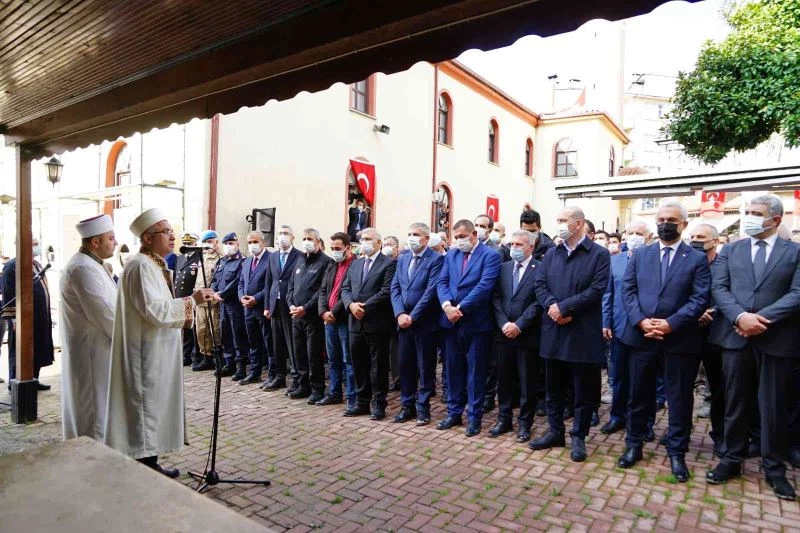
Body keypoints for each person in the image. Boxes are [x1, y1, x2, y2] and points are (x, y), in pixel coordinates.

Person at [105, 208, 214, 477]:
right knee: (147, 407)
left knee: (153, 406)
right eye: (165, 232)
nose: (172, 236)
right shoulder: (141, 266)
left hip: (155, 348)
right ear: (147, 238)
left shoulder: (153, 264)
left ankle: (149, 462)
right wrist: (193, 300)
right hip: (146, 352)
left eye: (171, 230)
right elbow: (154, 310)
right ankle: (146, 467)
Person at [706, 195, 800, 501]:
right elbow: (719, 288)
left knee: (773, 406)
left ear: (775, 219)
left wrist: (762, 319)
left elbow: (798, 292)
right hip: (735, 337)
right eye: (747, 212)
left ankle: (774, 469)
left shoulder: (794, 252)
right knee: (735, 401)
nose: (748, 217)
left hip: (776, 340)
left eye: (756, 213)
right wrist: (740, 316)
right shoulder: (731, 250)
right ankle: (731, 459)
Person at [617, 202, 710, 482]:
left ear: (683, 224)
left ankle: (677, 452)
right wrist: (641, 321)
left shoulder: (695, 258)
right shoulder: (640, 254)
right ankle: (634, 445)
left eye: (671, 219)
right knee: (638, 395)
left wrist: (671, 324)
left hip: (679, 341)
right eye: (660, 219)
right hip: (642, 337)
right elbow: (628, 290)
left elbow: (699, 298)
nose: (664, 224)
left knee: (679, 399)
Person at [531, 207, 609, 462]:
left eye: (563, 220)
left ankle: (579, 436)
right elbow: (539, 285)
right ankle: (555, 431)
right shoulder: (552, 254)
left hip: (582, 331)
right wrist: (553, 307)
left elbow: (597, 289)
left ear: (578, 223)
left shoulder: (599, 254)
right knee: (553, 388)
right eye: (558, 219)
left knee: (582, 390)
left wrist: (566, 308)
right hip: (553, 329)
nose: (559, 224)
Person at [436, 219, 501, 437]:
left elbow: (485, 286)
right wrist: (447, 306)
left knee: (476, 373)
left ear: (474, 234)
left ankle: (474, 418)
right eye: (456, 237)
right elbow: (442, 282)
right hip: (450, 323)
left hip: (476, 322)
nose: (459, 241)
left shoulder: (490, 256)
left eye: (463, 236)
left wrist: (460, 309)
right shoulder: (452, 255)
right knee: (453, 370)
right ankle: (454, 413)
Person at [60, 214, 118, 441]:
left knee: (99, 411)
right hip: (92, 355)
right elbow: (108, 316)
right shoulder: (83, 269)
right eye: (111, 238)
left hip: (99, 351)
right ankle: (94, 467)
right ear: (96, 242)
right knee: (94, 415)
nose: (115, 242)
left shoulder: (92, 264)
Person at [489, 230, 542, 443]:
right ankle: (504, 419)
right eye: (512, 244)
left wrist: (519, 325)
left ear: (531, 246)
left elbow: (539, 302)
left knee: (527, 381)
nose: (515, 248)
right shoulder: (504, 268)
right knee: (504, 379)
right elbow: (496, 298)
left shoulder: (540, 268)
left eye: (519, 244)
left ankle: (525, 424)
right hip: (504, 334)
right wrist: (504, 323)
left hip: (527, 334)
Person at [600, 222, 652, 437]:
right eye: (630, 233)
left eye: (639, 233)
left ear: (648, 237)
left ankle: (645, 423)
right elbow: (608, 294)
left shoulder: (653, 260)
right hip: (619, 326)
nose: (634, 237)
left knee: (645, 380)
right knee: (619, 376)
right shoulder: (615, 261)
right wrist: (606, 321)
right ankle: (617, 417)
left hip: (646, 328)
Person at [390, 223, 444, 426]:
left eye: (417, 234)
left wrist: (413, 316)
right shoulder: (403, 258)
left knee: (425, 367)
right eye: (410, 234)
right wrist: (399, 313)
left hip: (424, 323)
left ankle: (423, 407)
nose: (412, 237)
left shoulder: (436, 259)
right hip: (403, 323)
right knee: (406, 366)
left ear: (426, 238)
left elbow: (431, 291)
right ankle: (407, 406)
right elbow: (395, 287)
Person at [341, 228, 397, 420]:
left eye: (368, 239)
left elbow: (386, 291)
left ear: (378, 243)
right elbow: (345, 288)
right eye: (362, 239)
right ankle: (361, 402)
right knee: (358, 365)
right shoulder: (355, 264)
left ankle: (379, 403)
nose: (363, 242)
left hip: (376, 323)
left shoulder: (389, 264)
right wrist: (350, 305)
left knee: (378, 366)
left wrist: (363, 306)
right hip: (354, 322)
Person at [689, 223, 725, 455]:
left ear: (715, 240)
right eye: (692, 236)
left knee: (719, 389)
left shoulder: (726, 264)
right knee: (682, 387)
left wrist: (711, 311)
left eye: (700, 236)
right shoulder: (688, 261)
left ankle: (720, 435)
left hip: (717, 334)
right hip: (689, 332)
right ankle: (680, 431)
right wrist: (695, 312)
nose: (695, 240)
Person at [2, 238, 54, 389]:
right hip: (23, 320)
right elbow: (9, 294)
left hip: (39, 317)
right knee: (19, 351)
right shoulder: (13, 266)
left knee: (37, 349)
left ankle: (33, 380)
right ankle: (14, 382)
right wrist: (14, 320)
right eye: (35, 244)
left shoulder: (36, 265)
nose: (37, 247)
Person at [287, 228, 332, 402]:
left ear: (318, 242)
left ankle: (317, 388)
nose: (307, 241)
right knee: (299, 353)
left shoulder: (325, 262)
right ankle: (302, 385)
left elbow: (322, 290)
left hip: (312, 316)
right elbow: (291, 286)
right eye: (304, 238)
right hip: (296, 315)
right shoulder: (299, 260)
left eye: (310, 238)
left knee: (313, 354)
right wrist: (291, 304)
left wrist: (305, 307)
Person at [318, 232, 356, 407]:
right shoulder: (331, 265)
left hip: (344, 319)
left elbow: (349, 292)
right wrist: (323, 312)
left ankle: (351, 396)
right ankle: (334, 392)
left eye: (337, 248)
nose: (334, 252)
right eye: (332, 248)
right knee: (333, 359)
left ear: (347, 247)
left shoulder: (355, 264)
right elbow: (323, 290)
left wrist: (333, 312)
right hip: (329, 320)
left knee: (348, 359)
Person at [263, 225, 302, 392]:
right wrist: (266, 306)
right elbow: (269, 282)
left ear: (293, 237)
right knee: (276, 342)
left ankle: (296, 378)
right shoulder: (273, 257)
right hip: (275, 304)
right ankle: (279, 377)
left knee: (292, 344)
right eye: (279, 234)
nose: (282, 237)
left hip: (291, 304)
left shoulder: (299, 256)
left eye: (285, 234)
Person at [212, 232, 249, 377]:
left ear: (237, 244)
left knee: (237, 334)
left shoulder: (242, 261)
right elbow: (215, 279)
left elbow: (237, 282)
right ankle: (229, 364)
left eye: (231, 243)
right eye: (226, 244)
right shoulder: (221, 261)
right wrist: (215, 292)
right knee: (225, 334)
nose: (228, 246)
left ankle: (241, 367)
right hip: (222, 304)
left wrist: (222, 294)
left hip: (235, 304)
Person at [238, 231, 271, 385]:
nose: (252, 245)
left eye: (255, 242)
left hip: (263, 307)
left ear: (262, 242)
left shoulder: (271, 259)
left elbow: (270, 285)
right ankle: (254, 372)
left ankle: (273, 374)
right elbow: (241, 282)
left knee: (268, 342)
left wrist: (256, 298)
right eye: (249, 242)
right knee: (253, 342)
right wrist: (241, 297)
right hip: (248, 309)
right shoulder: (246, 261)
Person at [193, 230, 222, 371]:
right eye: (205, 242)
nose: (207, 244)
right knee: (201, 329)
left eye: (210, 241)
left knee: (214, 329)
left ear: (216, 242)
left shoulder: (220, 258)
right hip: (199, 299)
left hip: (212, 299)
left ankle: (218, 357)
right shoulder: (202, 257)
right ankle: (206, 357)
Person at [174, 232, 201, 367]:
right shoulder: (180, 258)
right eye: (185, 244)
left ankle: (194, 355)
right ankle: (185, 355)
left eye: (190, 244)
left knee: (193, 327)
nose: (187, 246)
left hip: (192, 297)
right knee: (184, 327)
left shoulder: (199, 257)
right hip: (180, 297)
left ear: (196, 243)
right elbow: (177, 278)